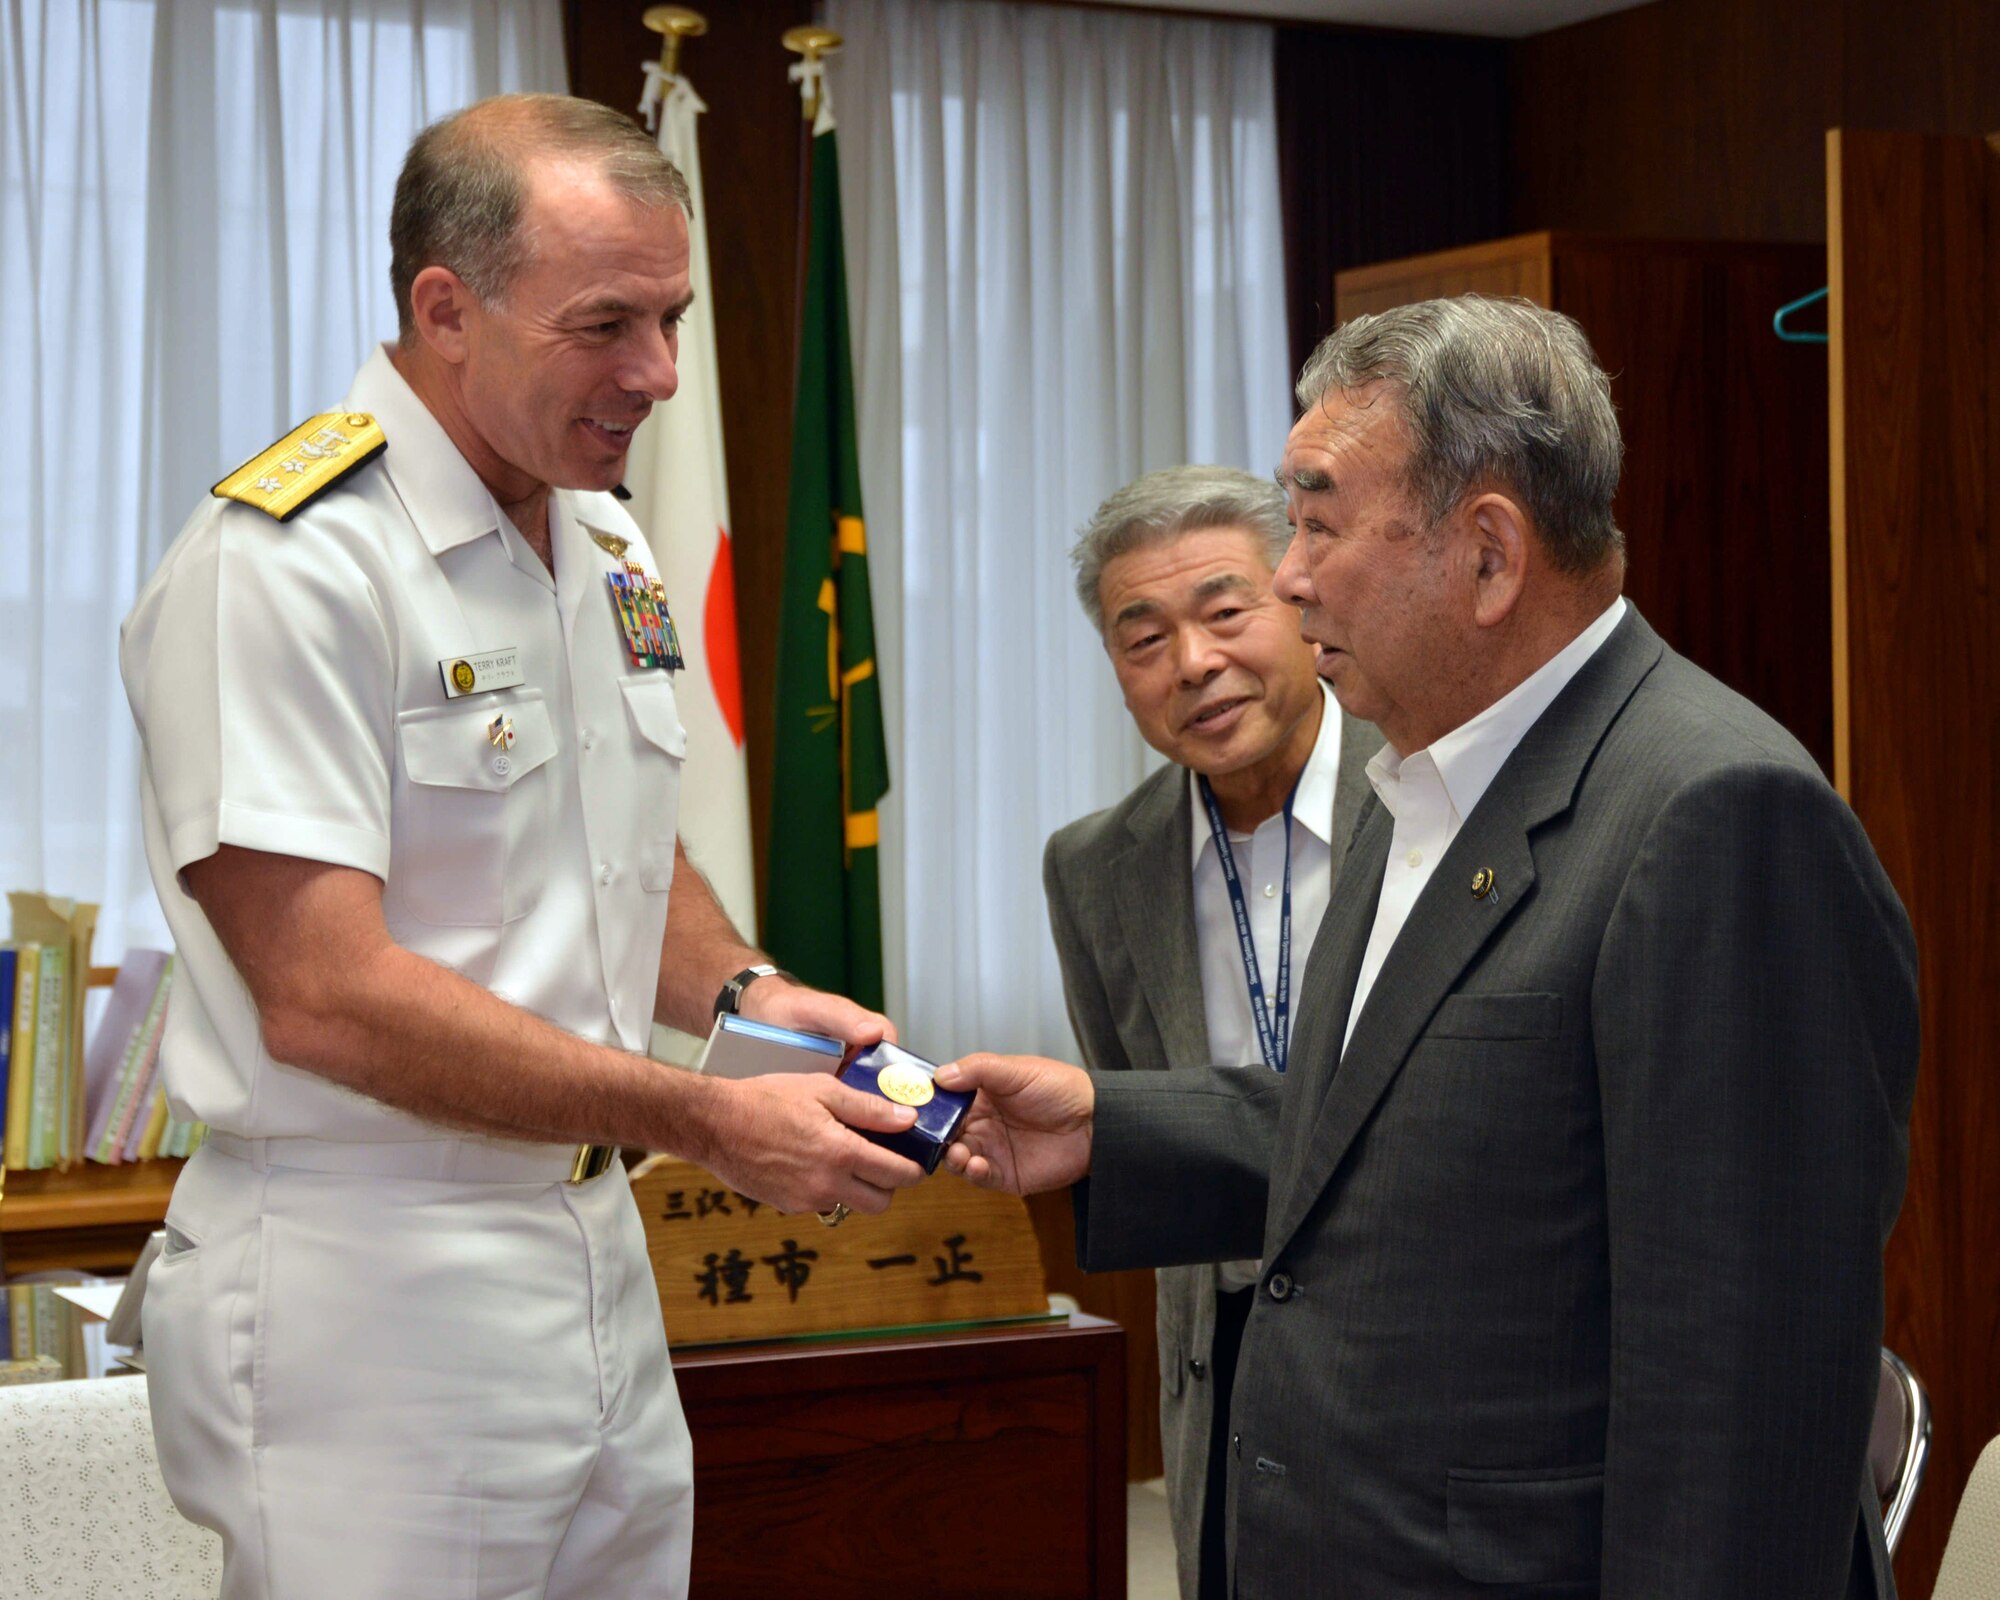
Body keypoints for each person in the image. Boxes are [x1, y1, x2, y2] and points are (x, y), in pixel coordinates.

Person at [944, 295, 1919, 1598]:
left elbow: (1744, 1395)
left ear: (1489, 555)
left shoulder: (1715, 814)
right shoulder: (1425, 785)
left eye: (1322, 527)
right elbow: (1405, 1132)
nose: (1289, 581)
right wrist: (1106, 1129)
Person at [120, 94, 925, 1600]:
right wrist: (701, 1120)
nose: (661, 375)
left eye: (673, 318)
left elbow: (611, 842)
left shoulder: (602, 535)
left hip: (590, 1234)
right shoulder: (287, 565)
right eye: (606, 324)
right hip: (369, 1283)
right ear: (446, 307)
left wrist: (748, 995)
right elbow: (323, 990)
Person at [1045, 464, 1375, 1600]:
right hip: (1220, 1346)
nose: (1191, 664)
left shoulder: (1432, 803)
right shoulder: (1094, 869)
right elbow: (1137, 1130)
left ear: (1299, 598)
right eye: (1143, 641)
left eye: (1225, 613)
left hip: (1407, 1336)